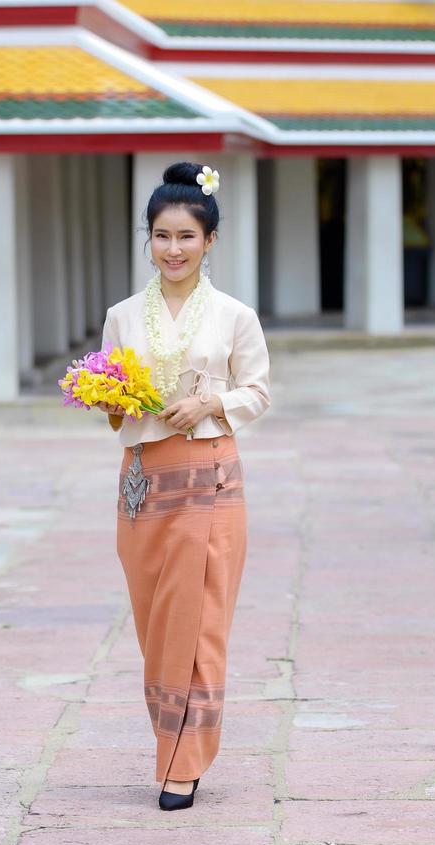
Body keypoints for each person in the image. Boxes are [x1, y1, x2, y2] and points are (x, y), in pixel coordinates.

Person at [98, 161, 270, 811]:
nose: (173, 249)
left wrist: (207, 405)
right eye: (161, 236)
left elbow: (256, 392)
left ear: (209, 242)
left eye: (186, 237)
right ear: (148, 239)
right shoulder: (122, 316)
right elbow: (113, 406)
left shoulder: (232, 316)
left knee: (197, 622)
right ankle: (168, 736)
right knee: (155, 621)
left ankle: (181, 760)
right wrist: (109, 397)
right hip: (143, 484)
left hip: (209, 478)